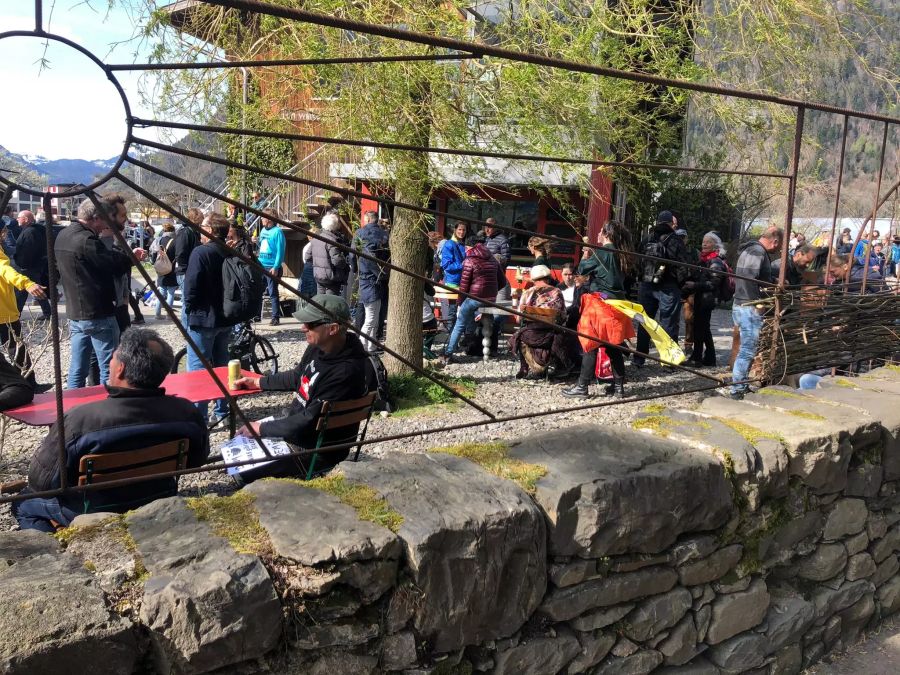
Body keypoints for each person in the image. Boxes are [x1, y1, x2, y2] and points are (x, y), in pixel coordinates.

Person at [12, 329, 209, 532]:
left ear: (120, 369)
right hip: (159, 497)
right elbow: (197, 460)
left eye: (112, 358)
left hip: (93, 510)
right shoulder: (186, 410)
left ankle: (61, 552)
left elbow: (41, 483)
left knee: (22, 503)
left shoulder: (81, 418)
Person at [233, 296, 371, 481]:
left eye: (310, 324)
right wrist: (258, 382)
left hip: (315, 451)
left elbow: (308, 420)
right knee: (236, 448)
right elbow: (297, 376)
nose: (303, 328)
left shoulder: (346, 371)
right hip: (299, 431)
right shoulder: (319, 347)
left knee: (240, 472)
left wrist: (262, 429)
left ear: (333, 328)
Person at [55, 199, 139, 388]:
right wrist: (131, 258)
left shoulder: (63, 235)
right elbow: (112, 265)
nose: (106, 226)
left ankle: (71, 410)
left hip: (75, 313)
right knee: (109, 367)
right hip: (97, 312)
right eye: (105, 220)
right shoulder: (87, 241)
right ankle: (107, 408)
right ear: (95, 218)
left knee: (77, 369)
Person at [563, 221, 636, 398]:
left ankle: (582, 387)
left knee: (590, 345)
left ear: (606, 234)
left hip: (600, 306)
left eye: (601, 230)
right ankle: (619, 388)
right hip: (618, 306)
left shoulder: (602, 252)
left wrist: (586, 254)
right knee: (614, 347)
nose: (598, 234)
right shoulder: (622, 254)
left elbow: (580, 270)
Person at [183, 213, 239, 421]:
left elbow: (191, 287)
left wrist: (189, 310)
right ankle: (222, 411)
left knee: (199, 368)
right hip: (225, 316)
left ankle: (199, 415)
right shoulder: (228, 250)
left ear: (210, 230)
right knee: (222, 365)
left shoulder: (201, 253)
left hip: (203, 316)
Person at [730, 226, 783, 399]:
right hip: (748, 306)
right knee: (747, 350)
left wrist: (773, 280)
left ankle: (741, 385)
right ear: (774, 241)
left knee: (747, 348)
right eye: (779, 244)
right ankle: (737, 390)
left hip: (741, 304)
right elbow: (749, 279)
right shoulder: (757, 252)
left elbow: (756, 277)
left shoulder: (751, 249)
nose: (778, 248)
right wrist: (757, 303)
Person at [633, 211, 692, 366]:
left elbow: (637, 262)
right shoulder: (676, 240)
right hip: (668, 287)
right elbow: (683, 266)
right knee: (668, 323)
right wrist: (680, 285)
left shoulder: (646, 238)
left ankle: (639, 357)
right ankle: (668, 361)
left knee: (644, 321)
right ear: (669, 224)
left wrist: (642, 279)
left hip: (646, 285)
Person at [441, 235, 506, 363]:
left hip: (474, 297)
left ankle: (448, 353)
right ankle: (480, 346)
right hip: (490, 299)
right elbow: (503, 282)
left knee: (460, 324)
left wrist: (460, 302)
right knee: (481, 319)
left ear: (468, 247)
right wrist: (491, 292)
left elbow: (464, 286)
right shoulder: (493, 260)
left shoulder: (469, 260)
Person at [0, 242, 49, 391]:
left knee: (17, 348)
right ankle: (27, 385)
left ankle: (24, 384)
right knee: (17, 348)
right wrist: (26, 283)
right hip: (4, 312)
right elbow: (4, 269)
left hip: (5, 311)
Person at [508, 265, 571, 380]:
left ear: (533, 279)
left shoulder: (527, 293)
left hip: (530, 335)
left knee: (520, 334)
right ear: (547, 278)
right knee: (563, 333)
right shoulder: (557, 292)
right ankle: (558, 367)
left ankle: (524, 367)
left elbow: (518, 320)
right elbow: (563, 316)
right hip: (551, 336)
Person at [686, 232, 728, 367]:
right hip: (702, 298)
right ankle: (710, 358)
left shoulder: (715, 260)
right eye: (703, 241)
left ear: (715, 245)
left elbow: (714, 283)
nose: (704, 244)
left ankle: (696, 358)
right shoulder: (705, 259)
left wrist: (695, 285)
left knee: (700, 328)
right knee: (704, 328)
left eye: (708, 242)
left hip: (707, 300)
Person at [352, 211, 390, 351]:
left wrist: (356, 270)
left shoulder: (359, 233)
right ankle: (367, 345)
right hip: (381, 277)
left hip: (365, 276)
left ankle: (368, 345)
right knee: (374, 315)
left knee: (367, 313)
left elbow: (352, 254)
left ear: (367, 219)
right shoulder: (385, 235)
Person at [13, 210, 51, 320]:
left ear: (25, 219)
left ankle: (17, 313)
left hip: (28, 267)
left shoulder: (30, 232)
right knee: (31, 290)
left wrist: (22, 264)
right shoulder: (32, 230)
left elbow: (28, 251)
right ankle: (46, 312)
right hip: (32, 266)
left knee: (22, 291)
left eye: (19, 217)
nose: (17, 219)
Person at [483, 218, 511, 354]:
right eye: (485, 227)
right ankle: (485, 344)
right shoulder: (485, 239)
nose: (487, 230)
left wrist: (494, 260)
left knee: (499, 313)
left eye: (489, 227)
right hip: (487, 280)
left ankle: (493, 344)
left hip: (498, 279)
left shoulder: (502, 239)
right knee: (486, 314)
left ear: (495, 227)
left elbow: (506, 258)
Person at [257, 209, 286, 325]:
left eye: (263, 218)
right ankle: (256, 315)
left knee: (272, 292)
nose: (261, 220)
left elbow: (280, 251)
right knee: (258, 290)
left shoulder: (278, 232)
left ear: (269, 219)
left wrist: (276, 266)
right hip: (261, 264)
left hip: (272, 266)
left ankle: (275, 317)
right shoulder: (263, 230)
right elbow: (261, 245)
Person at [174, 207, 203, 323]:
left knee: (189, 300)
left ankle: (188, 324)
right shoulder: (185, 232)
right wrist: (187, 270)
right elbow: (180, 254)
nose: (201, 223)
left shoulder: (194, 232)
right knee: (187, 300)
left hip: (189, 270)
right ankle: (186, 326)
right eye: (199, 220)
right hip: (184, 271)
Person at [310, 213, 350, 296]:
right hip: (331, 277)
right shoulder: (332, 240)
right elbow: (337, 261)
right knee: (330, 303)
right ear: (335, 226)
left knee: (320, 302)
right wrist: (345, 263)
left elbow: (307, 256)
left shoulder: (316, 238)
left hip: (319, 275)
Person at [439, 222, 468, 333]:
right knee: (452, 309)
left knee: (463, 310)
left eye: (464, 230)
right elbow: (446, 265)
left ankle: (457, 335)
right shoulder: (449, 244)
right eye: (460, 229)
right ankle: (451, 335)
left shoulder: (462, 245)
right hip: (453, 282)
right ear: (455, 230)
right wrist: (463, 265)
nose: (462, 232)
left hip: (463, 281)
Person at [155, 222, 178, 320]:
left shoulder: (159, 240)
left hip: (161, 269)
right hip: (171, 269)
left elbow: (153, 254)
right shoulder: (174, 241)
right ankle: (169, 315)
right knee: (171, 292)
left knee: (161, 291)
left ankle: (157, 314)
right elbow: (177, 255)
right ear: (173, 230)